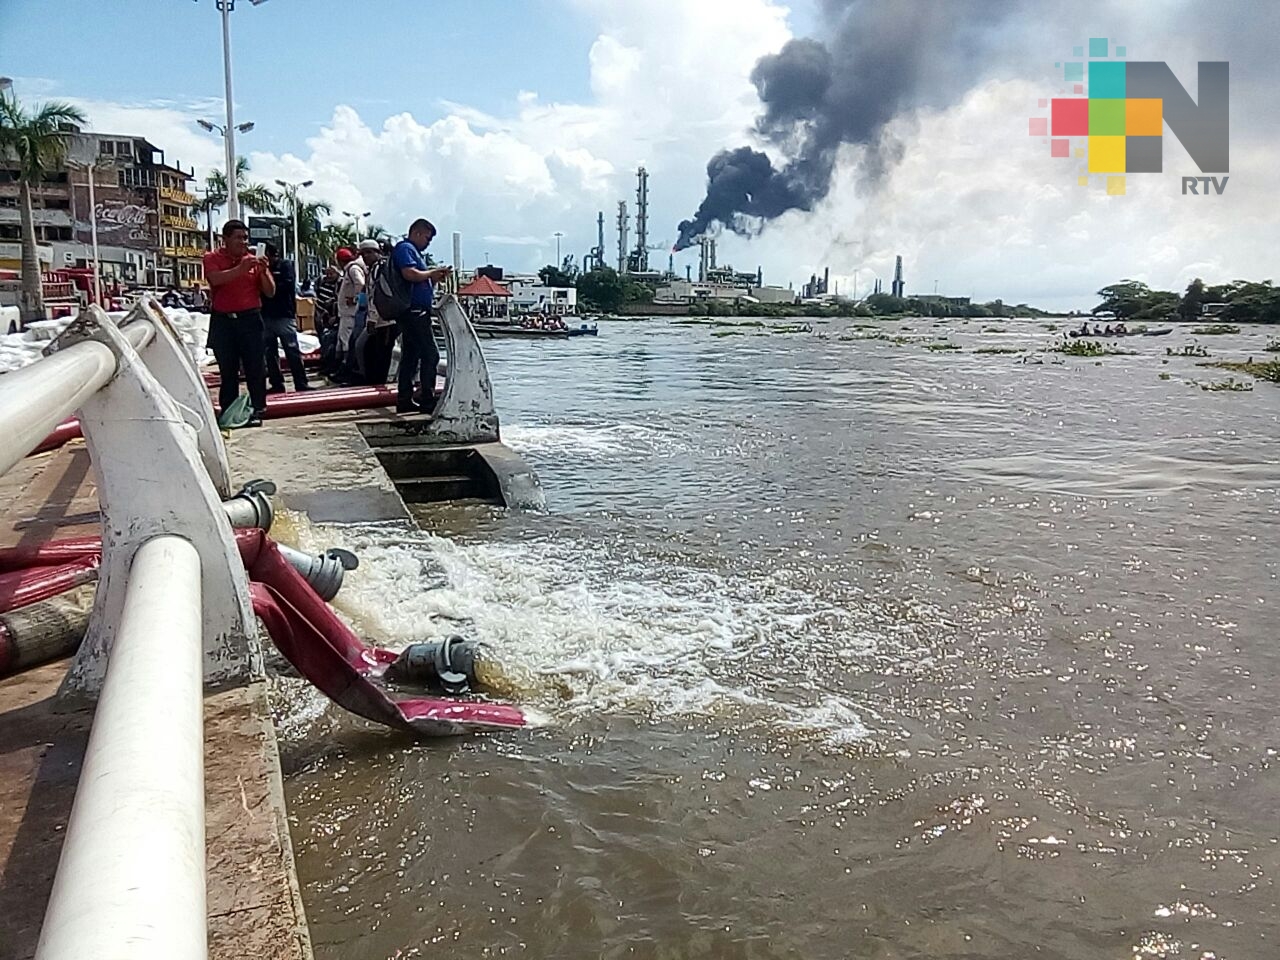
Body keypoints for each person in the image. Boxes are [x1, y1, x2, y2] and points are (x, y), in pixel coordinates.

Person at [203, 220, 274, 426]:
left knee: (256, 367)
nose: (243, 242)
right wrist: (241, 269)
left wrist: (263, 272)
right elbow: (215, 279)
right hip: (224, 320)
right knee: (228, 369)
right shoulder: (212, 258)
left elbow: (270, 291)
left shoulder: (253, 261)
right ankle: (229, 410)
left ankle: (258, 408)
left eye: (245, 238)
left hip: (250, 319)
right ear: (225, 239)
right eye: (238, 238)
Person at [392, 218, 452, 414]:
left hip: (415, 310)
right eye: (427, 238)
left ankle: (405, 398)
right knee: (430, 354)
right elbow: (409, 274)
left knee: (411, 355)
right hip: (414, 311)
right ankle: (426, 398)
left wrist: (432, 278)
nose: (428, 243)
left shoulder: (415, 253)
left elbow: (420, 281)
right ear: (417, 233)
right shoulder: (406, 249)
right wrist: (431, 273)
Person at [261, 243, 311, 394]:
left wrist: (269, 286)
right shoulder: (262, 269)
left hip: (284, 315)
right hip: (266, 315)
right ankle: (277, 384)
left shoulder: (285, 266)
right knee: (270, 353)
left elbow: (286, 286)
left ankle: (301, 383)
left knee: (292, 351)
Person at [354, 239, 397, 384]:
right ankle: (374, 382)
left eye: (369, 252)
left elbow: (376, 295)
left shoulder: (380, 268)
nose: (365, 256)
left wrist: (372, 319)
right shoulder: (380, 267)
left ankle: (377, 384)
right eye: (363, 253)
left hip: (384, 319)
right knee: (373, 351)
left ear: (378, 252)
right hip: (385, 317)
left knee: (380, 355)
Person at [335, 245, 366, 378]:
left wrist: (355, 299)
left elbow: (361, 285)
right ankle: (342, 369)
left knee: (347, 342)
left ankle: (347, 371)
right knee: (342, 342)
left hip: (350, 313)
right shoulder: (349, 270)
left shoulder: (353, 270)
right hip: (346, 313)